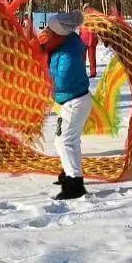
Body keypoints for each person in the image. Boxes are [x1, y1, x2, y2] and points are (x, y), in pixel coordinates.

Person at [46, 11, 91, 200]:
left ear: (59, 32)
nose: (47, 31)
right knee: (68, 140)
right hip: (72, 101)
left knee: (65, 140)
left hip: (75, 102)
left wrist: (46, 81)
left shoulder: (68, 53)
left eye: (50, 28)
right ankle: (69, 172)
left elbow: (62, 80)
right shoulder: (66, 43)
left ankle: (75, 184)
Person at [79, 4, 99, 77]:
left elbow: (98, 29)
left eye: (88, 8)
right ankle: (82, 72)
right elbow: (80, 29)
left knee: (92, 58)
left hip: (92, 40)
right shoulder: (82, 18)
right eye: (85, 9)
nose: (87, 10)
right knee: (82, 58)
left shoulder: (94, 18)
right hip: (83, 40)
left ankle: (93, 72)